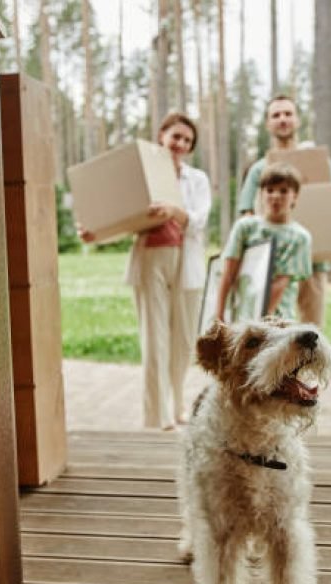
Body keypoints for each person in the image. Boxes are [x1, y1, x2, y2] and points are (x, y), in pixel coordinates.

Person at [79, 112, 212, 431]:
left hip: (187, 262)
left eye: (187, 140)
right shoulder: (141, 174)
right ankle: (157, 417)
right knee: (155, 341)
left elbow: (199, 220)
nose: (180, 143)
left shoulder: (198, 179)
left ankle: (178, 404)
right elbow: (120, 214)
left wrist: (174, 211)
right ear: (161, 136)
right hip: (151, 258)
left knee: (182, 340)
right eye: (175, 136)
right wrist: (95, 231)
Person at [236, 94, 331, 329]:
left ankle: (308, 367)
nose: (282, 119)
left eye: (288, 113)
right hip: (272, 268)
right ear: (268, 124)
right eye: (276, 115)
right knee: (273, 332)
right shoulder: (259, 169)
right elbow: (247, 213)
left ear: (298, 120)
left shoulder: (319, 162)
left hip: (313, 260)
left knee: (312, 332)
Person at [216, 162, 312, 322]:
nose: (275, 196)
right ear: (260, 194)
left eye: (283, 191)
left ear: (295, 196)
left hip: (278, 317)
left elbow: (281, 282)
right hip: (240, 311)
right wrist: (219, 314)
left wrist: (261, 321)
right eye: (269, 190)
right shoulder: (245, 227)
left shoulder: (300, 237)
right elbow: (228, 272)